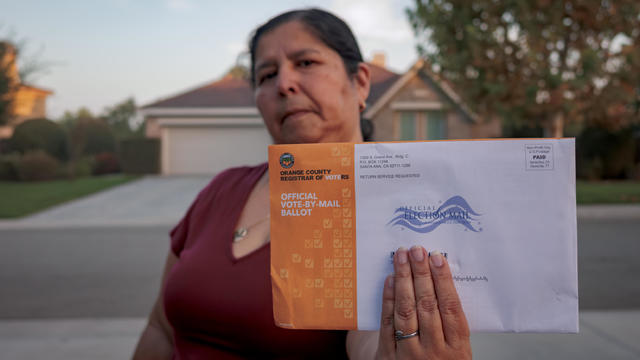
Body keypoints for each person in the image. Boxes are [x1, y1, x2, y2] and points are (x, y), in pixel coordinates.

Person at [132, 8, 471, 360]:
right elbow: (159, 327)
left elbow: (373, 344)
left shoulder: (394, 204)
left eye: (306, 63)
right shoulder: (222, 189)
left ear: (360, 82)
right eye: (266, 75)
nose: (284, 84)